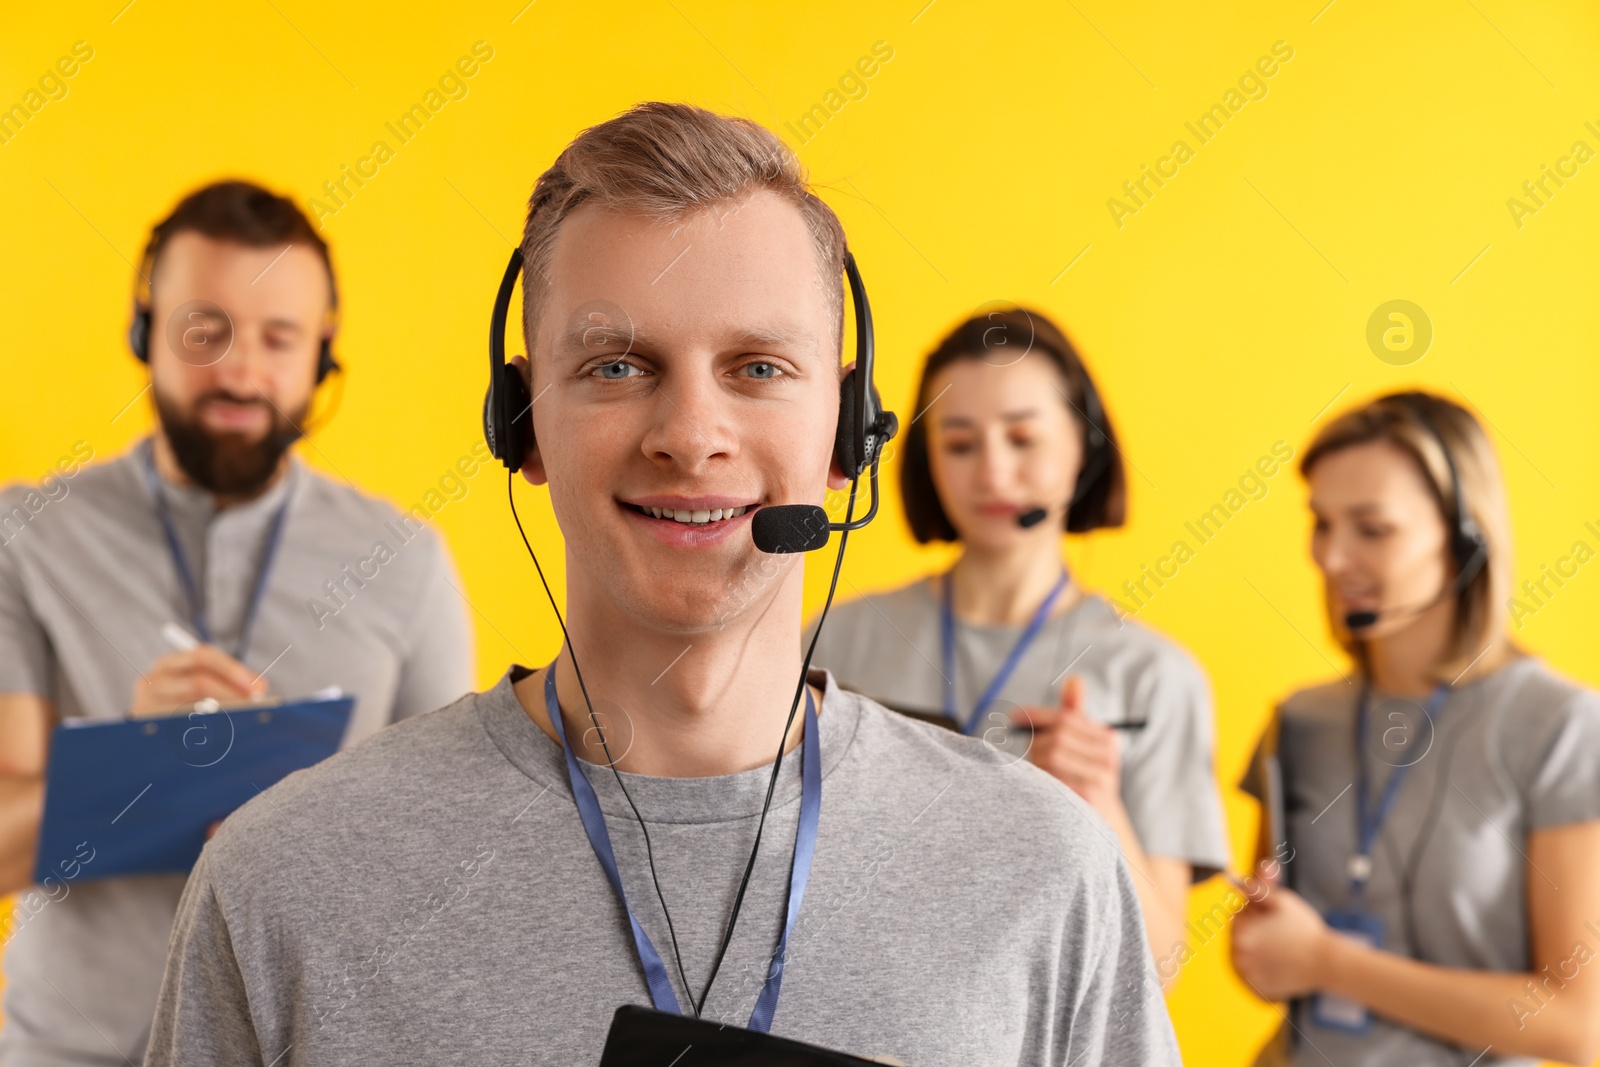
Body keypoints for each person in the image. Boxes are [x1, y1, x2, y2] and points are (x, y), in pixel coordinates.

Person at [142, 103, 1179, 1065]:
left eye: (758, 367)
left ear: (848, 432)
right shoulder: (284, 880)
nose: (691, 437)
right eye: (615, 365)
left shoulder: (1045, 871)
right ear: (522, 423)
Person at [0, 180, 475, 1066]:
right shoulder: (24, 533)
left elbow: (452, 867)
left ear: (323, 355)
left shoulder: (406, 561)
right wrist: (141, 765)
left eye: (277, 337)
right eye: (203, 329)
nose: (239, 371)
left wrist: (300, 824)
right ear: (146, 333)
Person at [805, 309, 1229, 980]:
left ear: (1083, 447)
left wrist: (1100, 803)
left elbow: (1162, 966)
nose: (994, 475)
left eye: (1024, 438)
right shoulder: (832, 640)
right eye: (960, 443)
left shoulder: (1154, 675)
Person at [1231, 391, 1600, 1066]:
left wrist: (1326, 960)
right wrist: (1265, 941)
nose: (1332, 557)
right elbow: (1268, 967)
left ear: (1466, 537)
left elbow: (1579, 1023)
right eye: (1321, 523)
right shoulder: (1300, 721)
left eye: (1372, 529)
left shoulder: (1560, 726)